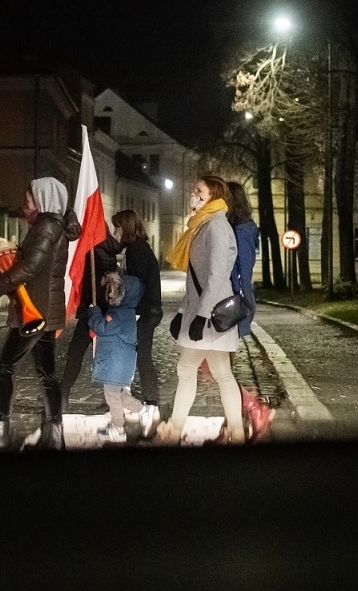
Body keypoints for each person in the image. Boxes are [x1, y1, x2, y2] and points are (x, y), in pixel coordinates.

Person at [0, 177, 81, 451]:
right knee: (47, 373)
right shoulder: (54, 225)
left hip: (34, 310)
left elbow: (30, 267)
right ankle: (54, 436)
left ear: (43, 199)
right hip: (45, 308)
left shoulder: (46, 225)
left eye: (29, 202)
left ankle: (0, 431)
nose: (25, 207)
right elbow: (36, 262)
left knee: (4, 366)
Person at [158, 175, 244, 445]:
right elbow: (196, 280)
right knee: (223, 374)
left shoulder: (215, 225)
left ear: (213, 195)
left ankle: (174, 430)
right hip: (206, 312)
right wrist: (182, 312)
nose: (193, 194)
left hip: (209, 315)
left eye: (199, 190)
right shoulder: (205, 224)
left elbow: (216, 276)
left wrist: (200, 316)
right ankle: (237, 433)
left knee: (187, 369)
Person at [226, 180, 274, 440]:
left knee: (219, 370)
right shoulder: (234, 228)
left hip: (232, 304)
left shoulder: (242, 231)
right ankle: (234, 421)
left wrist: (244, 306)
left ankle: (253, 409)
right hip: (228, 301)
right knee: (220, 369)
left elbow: (244, 272)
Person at [111, 208, 162, 435]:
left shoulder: (136, 251)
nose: (115, 232)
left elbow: (137, 286)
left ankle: (151, 405)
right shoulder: (139, 247)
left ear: (126, 228)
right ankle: (144, 402)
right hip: (148, 310)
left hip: (144, 311)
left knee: (142, 357)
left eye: (117, 228)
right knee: (139, 356)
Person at [57, 220, 119, 402]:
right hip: (104, 310)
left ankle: (63, 394)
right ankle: (112, 400)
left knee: (76, 352)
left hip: (93, 310)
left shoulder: (95, 253)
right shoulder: (109, 250)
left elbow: (93, 282)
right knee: (98, 354)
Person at [88, 271, 143, 443]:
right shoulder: (124, 312)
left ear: (123, 294)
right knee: (116, 393)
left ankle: (118, 428)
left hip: (115, 364)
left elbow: (102, 328)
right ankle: (142, 410)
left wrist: (94, 312)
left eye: (113, 290)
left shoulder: (119, 315)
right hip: (116, 363)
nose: (110, 293)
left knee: (112, 396)